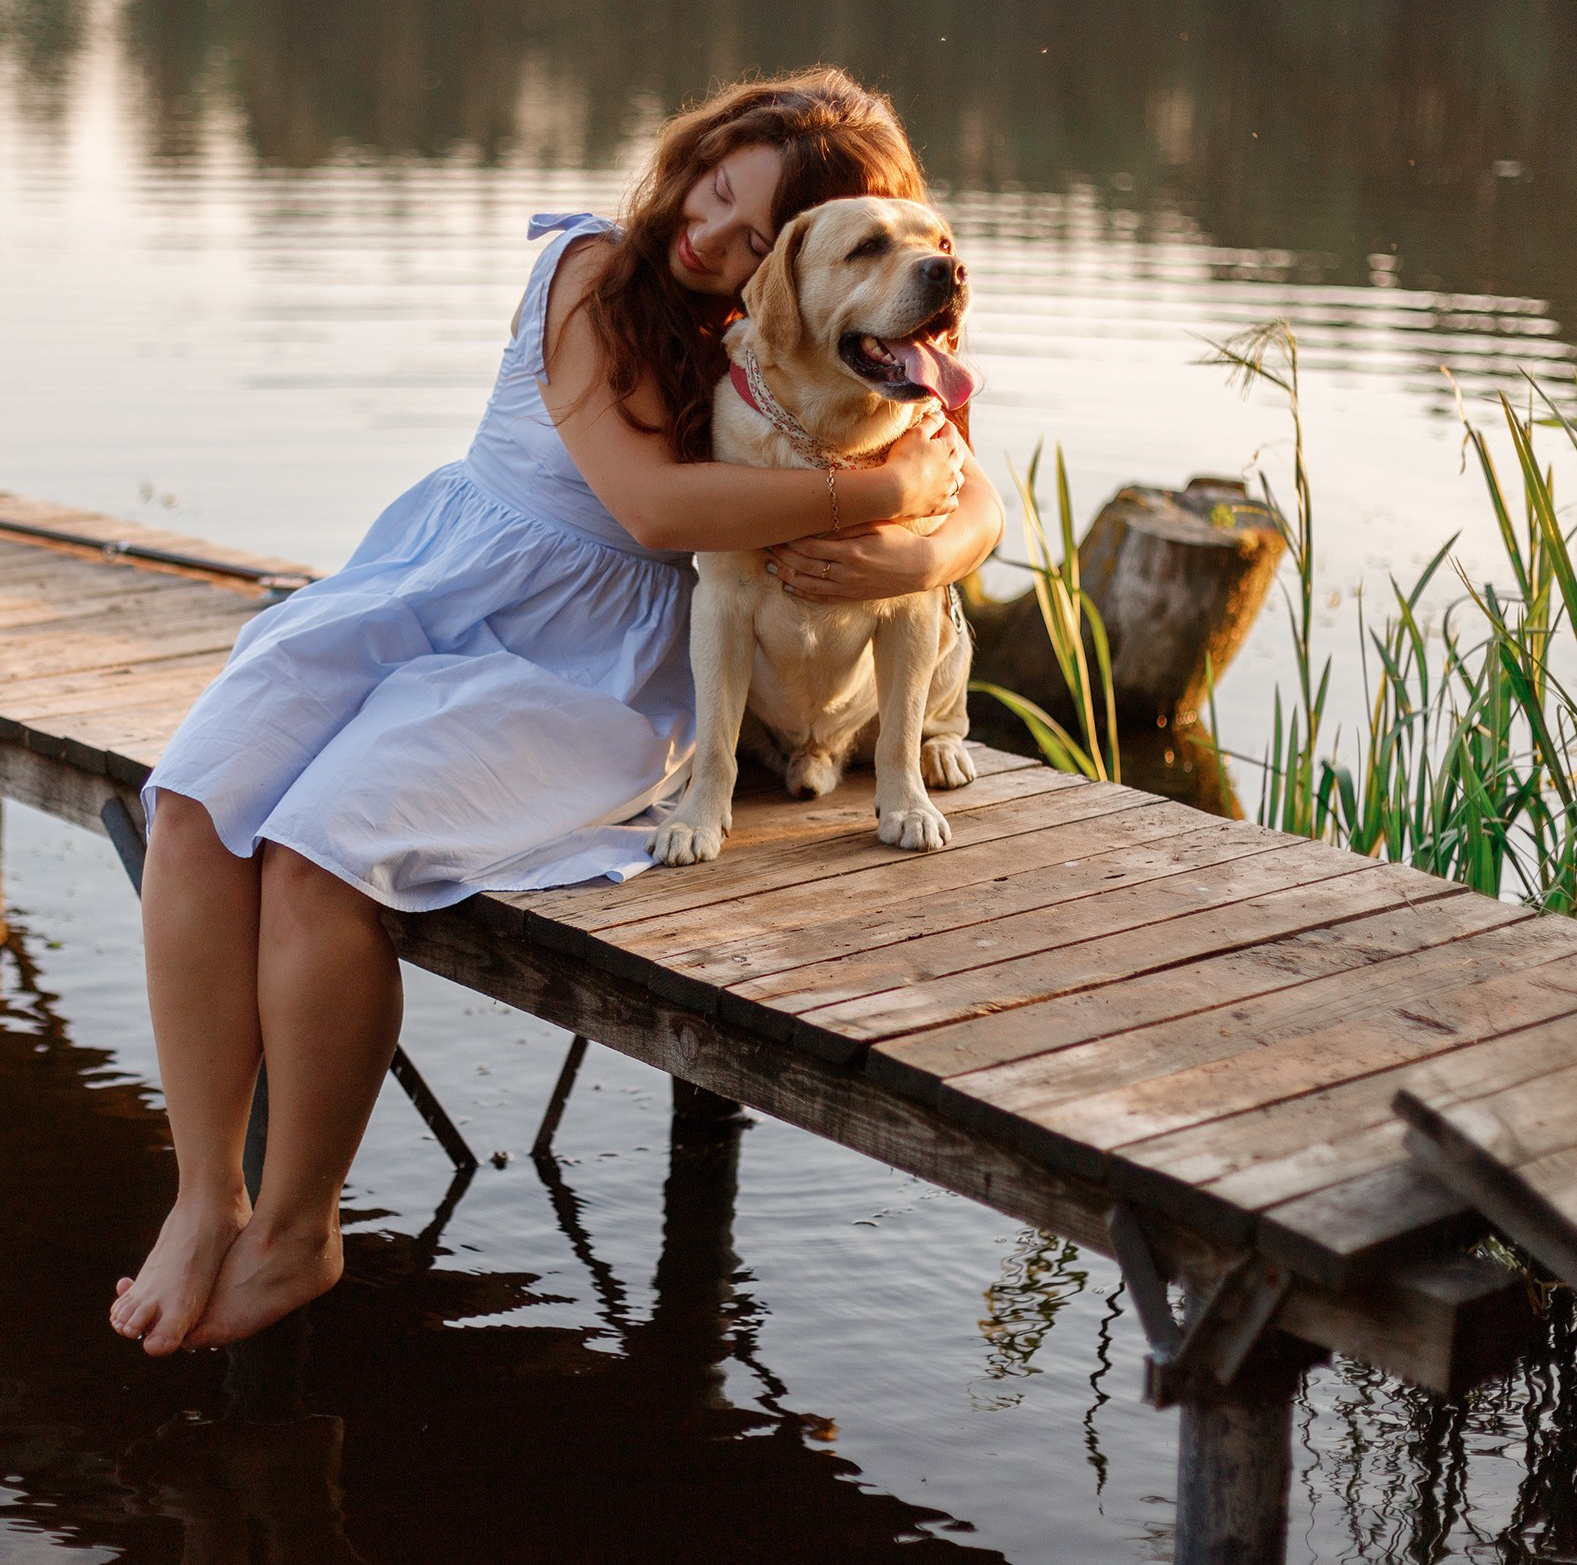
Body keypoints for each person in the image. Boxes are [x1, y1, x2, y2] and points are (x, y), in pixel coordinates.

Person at [110, 67, 1005, 1356]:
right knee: (198, 801)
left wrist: (929, 548)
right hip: (436, 580)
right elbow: (651, 506)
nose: (716, 237)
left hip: (590, 655)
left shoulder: (844, 342)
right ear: (697, 151)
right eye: (718, 186)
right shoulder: (592, 267)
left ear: (800, 268)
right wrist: (873, 508)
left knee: (321, 851)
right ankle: (205, 1200)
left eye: (759, 236)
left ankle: (301, 1227)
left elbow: (972, 490)